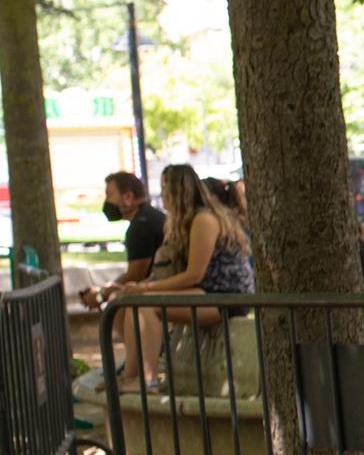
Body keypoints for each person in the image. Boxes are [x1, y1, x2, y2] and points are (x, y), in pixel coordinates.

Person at [101, 164, 255, 390]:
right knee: (133, 302)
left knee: (147, 307)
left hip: (225, 297)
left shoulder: (204, 220)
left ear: (177, 191)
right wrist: (140, 286)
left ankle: (148, 380)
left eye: (164, 189)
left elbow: (193, 275)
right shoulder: (186, 222)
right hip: (208, 292)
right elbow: (173, 272)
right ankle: (130, 376)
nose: (161, 195)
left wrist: (146, 289)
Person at [81, 172, 167, 316]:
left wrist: (102, 294)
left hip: (159, 295)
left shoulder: (140, 226)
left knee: (119, 307)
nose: (107, 201)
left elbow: (136, 274)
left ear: (128, 197)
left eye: (110, 195)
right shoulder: (148, 217)